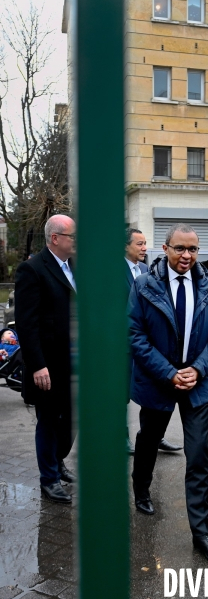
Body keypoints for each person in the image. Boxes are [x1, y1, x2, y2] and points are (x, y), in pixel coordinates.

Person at [128, 223, 208, 565]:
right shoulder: (145, 285)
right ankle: (141, 487)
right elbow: (135, 335)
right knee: (150, 438)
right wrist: (169, 372)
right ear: (165, 248)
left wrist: (198, 369)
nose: (187, 256)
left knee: (199, 454)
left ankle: (202, 532)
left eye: (193, 250)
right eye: (180, 248)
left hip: (197, 382)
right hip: (159, 379)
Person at [15, 215, 77, 504]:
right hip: (48, 365)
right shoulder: (32, 270)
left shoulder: (74, 267)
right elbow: (26, 324)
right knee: (50, 422)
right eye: (72, 236)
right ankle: (49, 479)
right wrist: (38, 365)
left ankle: (57, 461)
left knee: (70, 421)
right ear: (55, 238)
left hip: (73, 363)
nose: (76, 241)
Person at [124, 228, 182, 455]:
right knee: (123, 395)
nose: (144, 248)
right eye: (139, 244)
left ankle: (156, 436)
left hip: (149, 347)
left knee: (153, 396)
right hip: (125, 345)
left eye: (145, 243)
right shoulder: (114, 271)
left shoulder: (148, 270)